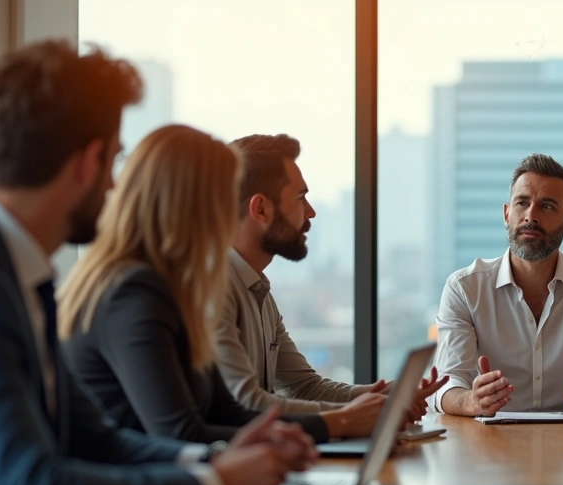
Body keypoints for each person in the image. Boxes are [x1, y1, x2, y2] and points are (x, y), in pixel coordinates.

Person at [0, 41, 312, 485]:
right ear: (88, 162)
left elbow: (97, 439)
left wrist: (213, 462)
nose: (115, 186)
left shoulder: (13, 275)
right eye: (113, 161)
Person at [59, 126, 387, 446]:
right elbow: (181, 435)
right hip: (151, 480)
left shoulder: (177, 289)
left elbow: (230, 412)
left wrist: (350, 416)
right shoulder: (134, 293)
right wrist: (341, 421)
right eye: (222, 198)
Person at [216, 134, 444, 425]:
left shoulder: (258, 289)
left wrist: (383, 396)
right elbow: (246, 404)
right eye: (300, 198)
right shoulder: (214, 288)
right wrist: (350, 417)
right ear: (260, 208)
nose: (310, 211)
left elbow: (304, 388)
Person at [432, 153, 563, 416]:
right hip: (490, 436)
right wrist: (470, 402)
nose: (530, 216)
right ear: (507, 213)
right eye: (522, 203)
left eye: (547, 206)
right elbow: (446, 382)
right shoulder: (464, 288)